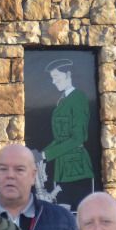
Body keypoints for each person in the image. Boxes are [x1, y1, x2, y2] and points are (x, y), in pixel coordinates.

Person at [42, 59, 94, 207]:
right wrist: (42, 154)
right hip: (62, 168)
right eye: (52, 78)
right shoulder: (63, 100)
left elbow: (78, 138)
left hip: (77, 169)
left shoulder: (78, 98)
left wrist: (47, 155)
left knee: (77, 215)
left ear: (68, 74)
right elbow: (60, 138)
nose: (53, 81)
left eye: (56, 77)